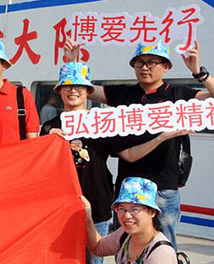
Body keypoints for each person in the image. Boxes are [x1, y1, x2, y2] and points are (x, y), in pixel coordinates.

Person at [41, 62, 189, 264]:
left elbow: (129, 154)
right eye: (67, 86)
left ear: (89, 92)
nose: (73, 90)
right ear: (58, 91)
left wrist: (162, 137)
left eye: (79, 86)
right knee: (60, 262)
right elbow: (40, 165)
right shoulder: (49, 127)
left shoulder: (102, 123)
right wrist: (48, 140)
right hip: (59, 206)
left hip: (97, 202)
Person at [67, 39, 214, 249]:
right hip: (128, 186)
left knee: (165, 248)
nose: (145, 68)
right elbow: (83, 91)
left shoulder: (179, 95)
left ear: (166, 67)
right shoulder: (123, 94)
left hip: (163, 187)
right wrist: (73, 63)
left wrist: (199, 73)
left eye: (152, 62)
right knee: (125, 247)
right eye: (140, 62)